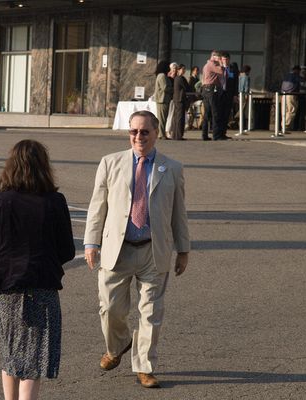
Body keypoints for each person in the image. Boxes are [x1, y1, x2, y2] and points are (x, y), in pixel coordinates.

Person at [84, 110, 190, 389]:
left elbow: (179, 213)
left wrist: (183, 249)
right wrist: (91, 243)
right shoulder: (110, 163)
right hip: (116, 251)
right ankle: (117, 345)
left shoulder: (173, 168)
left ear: (157, 133)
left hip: (153, 252)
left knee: (151, 312)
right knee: (109, 308)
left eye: (144, 132)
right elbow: (98, 207)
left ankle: (144, 366)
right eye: (133, 131)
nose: (138, 137)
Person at [0, 139, 75, 400]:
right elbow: (67, 249)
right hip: (42, 286)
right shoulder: (55, 201)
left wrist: (5, 263)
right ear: (44, 166)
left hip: (6, 287)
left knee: (10, 353)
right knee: (33, 360)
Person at [201, 50, 225, 141]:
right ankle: (216, 134)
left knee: (207, 114)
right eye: (218, 57)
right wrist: (220, 63)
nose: (219, 59)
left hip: (205, 89)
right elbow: (221, 71)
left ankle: (204, 134)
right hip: (211, 89)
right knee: (215, 112)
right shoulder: (212, 65)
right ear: (213, 57)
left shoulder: (206, 65)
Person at [153, 61, 172, 140]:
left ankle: (161, 133)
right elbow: (165, 87)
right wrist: (173, 89)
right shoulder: (162, 76)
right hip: (162, 99)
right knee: (162, 118)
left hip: (162, 99)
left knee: (163, 118)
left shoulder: (161, 75)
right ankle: (161, 134)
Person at [169, 64, 188, 140]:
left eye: (184, 69)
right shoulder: (180, 78)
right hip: (180, 99)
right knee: (179, 117)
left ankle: (175, 135)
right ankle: (178, 135)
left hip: (177, 99)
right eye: (182, 69)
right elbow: (187, 87)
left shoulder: (177, 78)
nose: (184, 71)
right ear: (179, 70)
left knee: (176, 117)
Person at [281, 65, 301, 132]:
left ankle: (283, 125)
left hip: (284, 94)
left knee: (285, 110)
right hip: (291, 94)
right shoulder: (295, 76)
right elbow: (301, 81)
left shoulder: (287, 75)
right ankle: (286, 125)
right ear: (297, 70)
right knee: (292, 110)